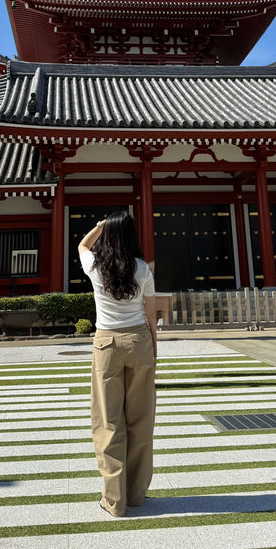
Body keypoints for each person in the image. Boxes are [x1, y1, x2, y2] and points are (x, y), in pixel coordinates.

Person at [78, 211, 157, 517]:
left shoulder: (96, 265)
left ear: (109, 235)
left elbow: (82, 247)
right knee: (140, 420)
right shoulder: (142, 268)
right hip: (139, 342)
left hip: (106, 344)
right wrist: (154, 348)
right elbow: (151, 315)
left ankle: (114, 500)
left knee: (108, 423)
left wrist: (98, 227)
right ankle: (136, 494)